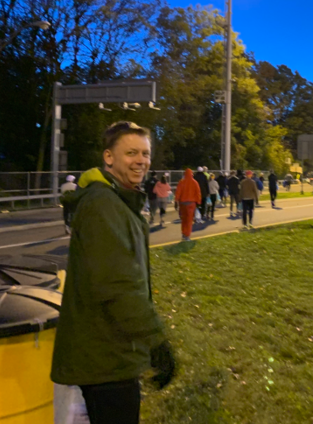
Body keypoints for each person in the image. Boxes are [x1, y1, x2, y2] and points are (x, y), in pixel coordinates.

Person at [51, 122, 175, 424]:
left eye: (145, 153)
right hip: (106, 356)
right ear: (109, 157)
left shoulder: (117, 200)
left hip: (109, 351)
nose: (141, 161)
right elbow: (117, 284)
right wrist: (156, 341)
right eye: (131, 152)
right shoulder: (103, 203)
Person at [175, 168, 201, 241]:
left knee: (184, 219)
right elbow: (198, 193)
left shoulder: (181, 182)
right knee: (189, 220)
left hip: (182, 203)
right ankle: (187, 235)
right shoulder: (195, 182)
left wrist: (176, 200)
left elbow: (178, 192)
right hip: (191, 203)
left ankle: (183, 233)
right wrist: (198, 202)